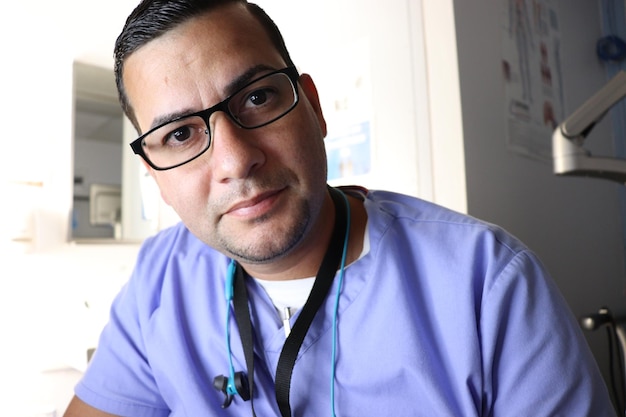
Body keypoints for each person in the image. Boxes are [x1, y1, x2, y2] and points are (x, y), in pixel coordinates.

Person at [64, 1, 617, 416]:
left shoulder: (486, 282)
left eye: (257, 97)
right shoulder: (161, 281)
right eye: (180, 134)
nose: (236, 159)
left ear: (314, 108)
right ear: (156, 177)